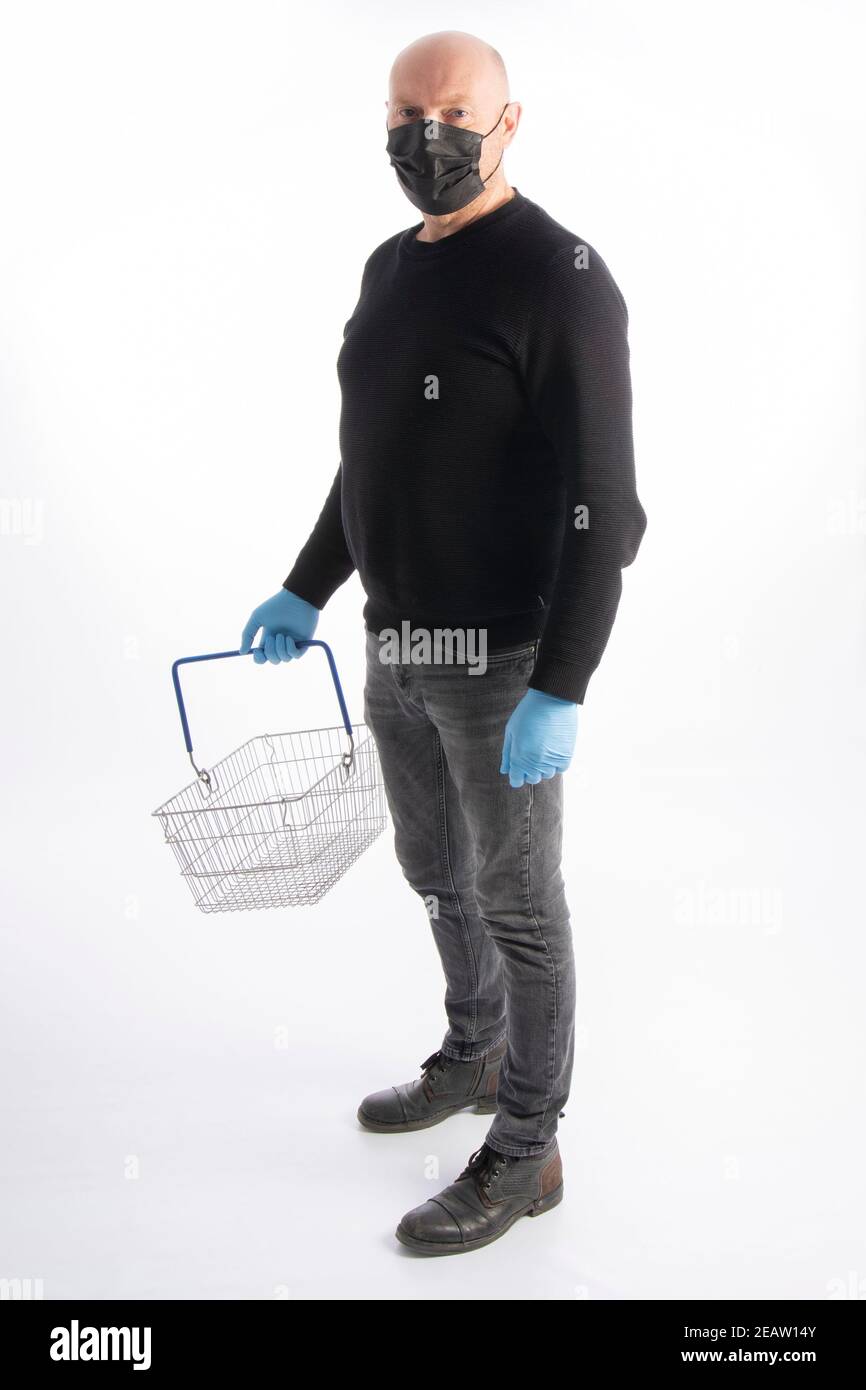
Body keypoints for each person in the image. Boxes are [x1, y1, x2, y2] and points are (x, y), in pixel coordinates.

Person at [240, 29, 646, 1256]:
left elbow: (605, 504)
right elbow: (373, 455)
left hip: (500, 662)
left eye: (453, 113)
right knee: (436, 872)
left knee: (518, 903)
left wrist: (560, 681)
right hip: (395, 648)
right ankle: (473, 1055)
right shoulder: (388, 266)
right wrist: (307, 587)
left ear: (506, 122)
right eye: (405, 115)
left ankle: (528, 1145)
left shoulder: (560, 277)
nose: (428, 137)